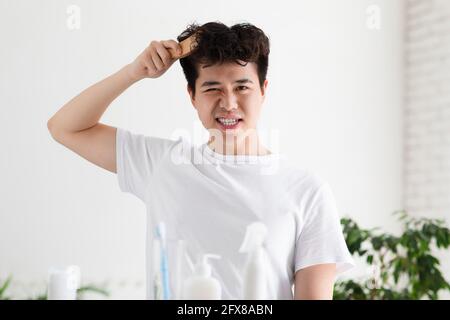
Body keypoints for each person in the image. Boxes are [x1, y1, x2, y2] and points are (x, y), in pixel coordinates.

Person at [47, 21, 354, 300]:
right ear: (192, 95)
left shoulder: (307, 191)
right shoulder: (162, 165)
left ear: (263, 89)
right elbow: (65, 128)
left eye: (242, 87)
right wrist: (133, 72)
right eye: (212, 88)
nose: (229, 103)